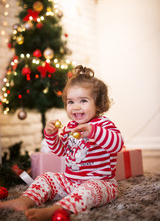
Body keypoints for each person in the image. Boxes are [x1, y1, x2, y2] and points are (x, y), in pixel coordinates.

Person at [0, 65, 124, 221]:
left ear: (98, 104)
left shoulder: (103, 125)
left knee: (90, 190)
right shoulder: (70, 127)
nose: (76, 107)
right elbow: (61, 151)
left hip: (100, 183)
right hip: (70, 181)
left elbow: (117, 144)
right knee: (46, 178)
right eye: (70, 102)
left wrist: (93, 131)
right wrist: (52, 136)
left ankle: (57, 209)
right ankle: (23, 201)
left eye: (83, 101)